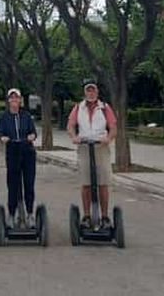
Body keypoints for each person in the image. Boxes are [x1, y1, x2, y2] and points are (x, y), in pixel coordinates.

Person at [66, 78, 117, 228]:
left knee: (103, 183)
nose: (91, 93)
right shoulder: (78, 108)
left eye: (93, 90)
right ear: (84, 92)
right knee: (86, 182)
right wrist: (74, 137)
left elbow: (113, 126)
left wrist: (108, 138)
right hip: (84, 147)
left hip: (101, 146)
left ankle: (105, 217)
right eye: (88, 90)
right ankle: (87, 216)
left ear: (97, 91)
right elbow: (70, 125)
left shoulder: (104, 107)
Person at [0, 88, 37, 228]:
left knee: (29, 184)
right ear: (8, 100)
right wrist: (3, 138)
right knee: (13, 184)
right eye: (12, 98)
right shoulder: (4, 117)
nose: (14, 100)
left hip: (27, 151)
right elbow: (0, 133)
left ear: (20, 100)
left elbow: (33, 132)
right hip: (13, 151)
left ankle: (30, 213)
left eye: (16, 98)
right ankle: (12, 214)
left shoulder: (26, 116)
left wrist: (31, 136)